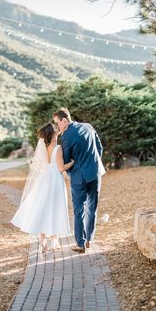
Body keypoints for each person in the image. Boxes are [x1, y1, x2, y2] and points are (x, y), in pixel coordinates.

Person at [11, 122, 74, 253]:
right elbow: (61, 168)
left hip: (44, 180)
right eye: (55, 128)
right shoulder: (57, 148)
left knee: (42, 208)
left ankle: (44, 242)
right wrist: (72, 162)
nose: (58, 128)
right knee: (55, 209)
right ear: (52, 133)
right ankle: (55, 241)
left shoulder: (44, 148)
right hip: (55, 180)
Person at [53, 108, 105, 253]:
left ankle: (80, 244)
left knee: (79, 211)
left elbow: (66, 159)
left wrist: (71, 173)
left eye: (58, 123)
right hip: (95, 174)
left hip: (78, 178)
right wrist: (93, 164)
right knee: (92, 208)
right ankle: (89, 240)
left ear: (64, 120)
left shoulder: (66, 137)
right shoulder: (88, 126)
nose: (58, 127)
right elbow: (99, 148)